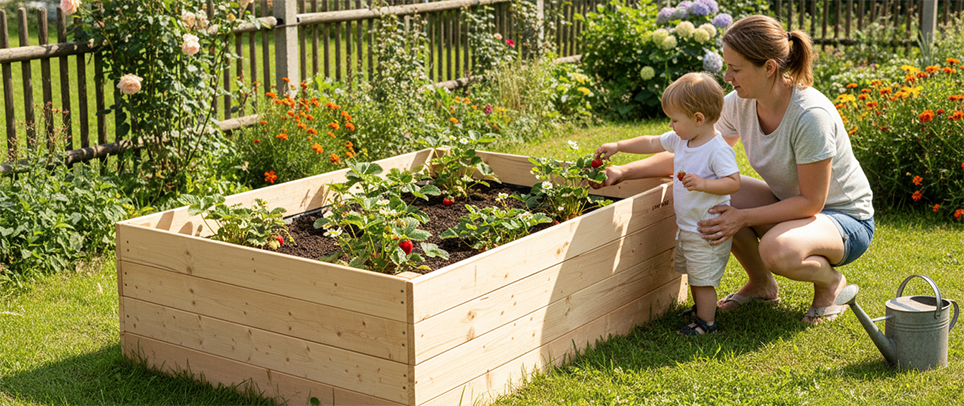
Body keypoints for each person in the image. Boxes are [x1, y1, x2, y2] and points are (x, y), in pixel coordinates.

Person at [595, 15, 875, 324]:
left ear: (769, 67)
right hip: (791, 208)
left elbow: (812, 202)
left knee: (777, 250)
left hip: (844, 219)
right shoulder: (739, 103)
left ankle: (830, 284)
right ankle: (761, 284)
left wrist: (742, 218)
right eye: (727, 66)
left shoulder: (810, 116)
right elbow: (693, 156)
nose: (727, 76)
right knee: (716, 197)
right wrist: (623, 172)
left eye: (736, 68)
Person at [595, 72, 740, 335]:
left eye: (674, 120)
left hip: (707, 229)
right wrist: (619, 145)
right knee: (694, 273)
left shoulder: (717, 150)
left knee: (703, 279)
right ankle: (700, 311)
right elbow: (651, 142)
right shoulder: (683, 138)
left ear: (698, 119)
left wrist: (704, 184)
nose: (670, 125)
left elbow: (733, 182)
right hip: (689, 226)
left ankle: (707, 324)